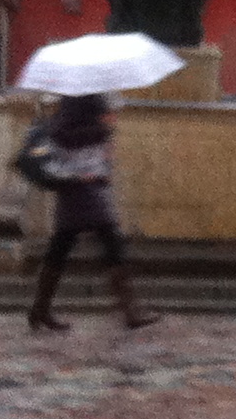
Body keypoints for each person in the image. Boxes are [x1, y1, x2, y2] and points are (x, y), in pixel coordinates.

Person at [27, 95, 159, 333]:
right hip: (88, 193)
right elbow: (88, 165)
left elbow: (81, 162)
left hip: (75, 195)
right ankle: (130, 311)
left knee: (62, 246)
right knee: (110, 242)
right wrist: (96, 163)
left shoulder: (65, 128)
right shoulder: (87, 131)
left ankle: (40, 309)